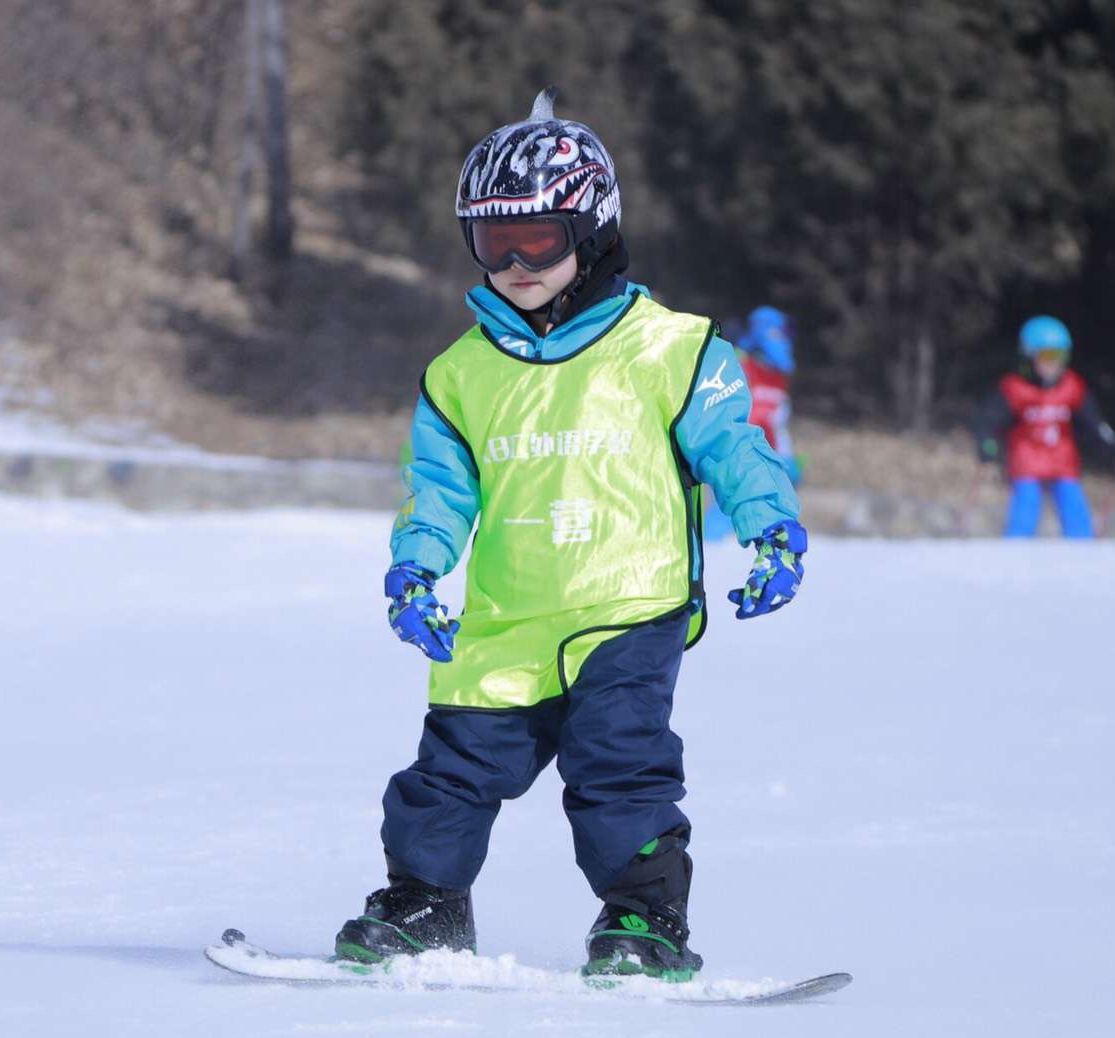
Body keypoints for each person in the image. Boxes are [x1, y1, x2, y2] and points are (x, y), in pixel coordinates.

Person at [334, 90, 805, 982]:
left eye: (537, 239)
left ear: (590, 229)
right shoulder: (460, 373)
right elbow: (438, 490)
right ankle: (426, 904)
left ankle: (644, 918)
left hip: (628, 605)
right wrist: (415, 571)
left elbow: (734, 448)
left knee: (619, 769)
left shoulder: (669, 347)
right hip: (504, 620)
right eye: (490, 239)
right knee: (447, 777)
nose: (514, 261)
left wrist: (770, 527)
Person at [973, 315, 1115, 539]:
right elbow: (988, 420)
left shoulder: (1072, 387)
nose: (1053, 363)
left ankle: (1083, 556)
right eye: (1047, 355)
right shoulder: (1014, 388)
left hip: (1062, 463)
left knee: (1074, 507)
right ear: (1029, 355)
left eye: (1060, 356)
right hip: (1026, 463)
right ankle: (1012, 555)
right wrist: (986, 443)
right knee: (1026, 507)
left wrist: (1113, 449)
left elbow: (1093, 425)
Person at [704, 305, 803, 540]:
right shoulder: (739, 364)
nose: (786, 340)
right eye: (780, 333)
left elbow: (776, 420)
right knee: (720, 529)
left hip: (771, 465)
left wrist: (788, 458)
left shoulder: (776, 373)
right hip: (738, 462)